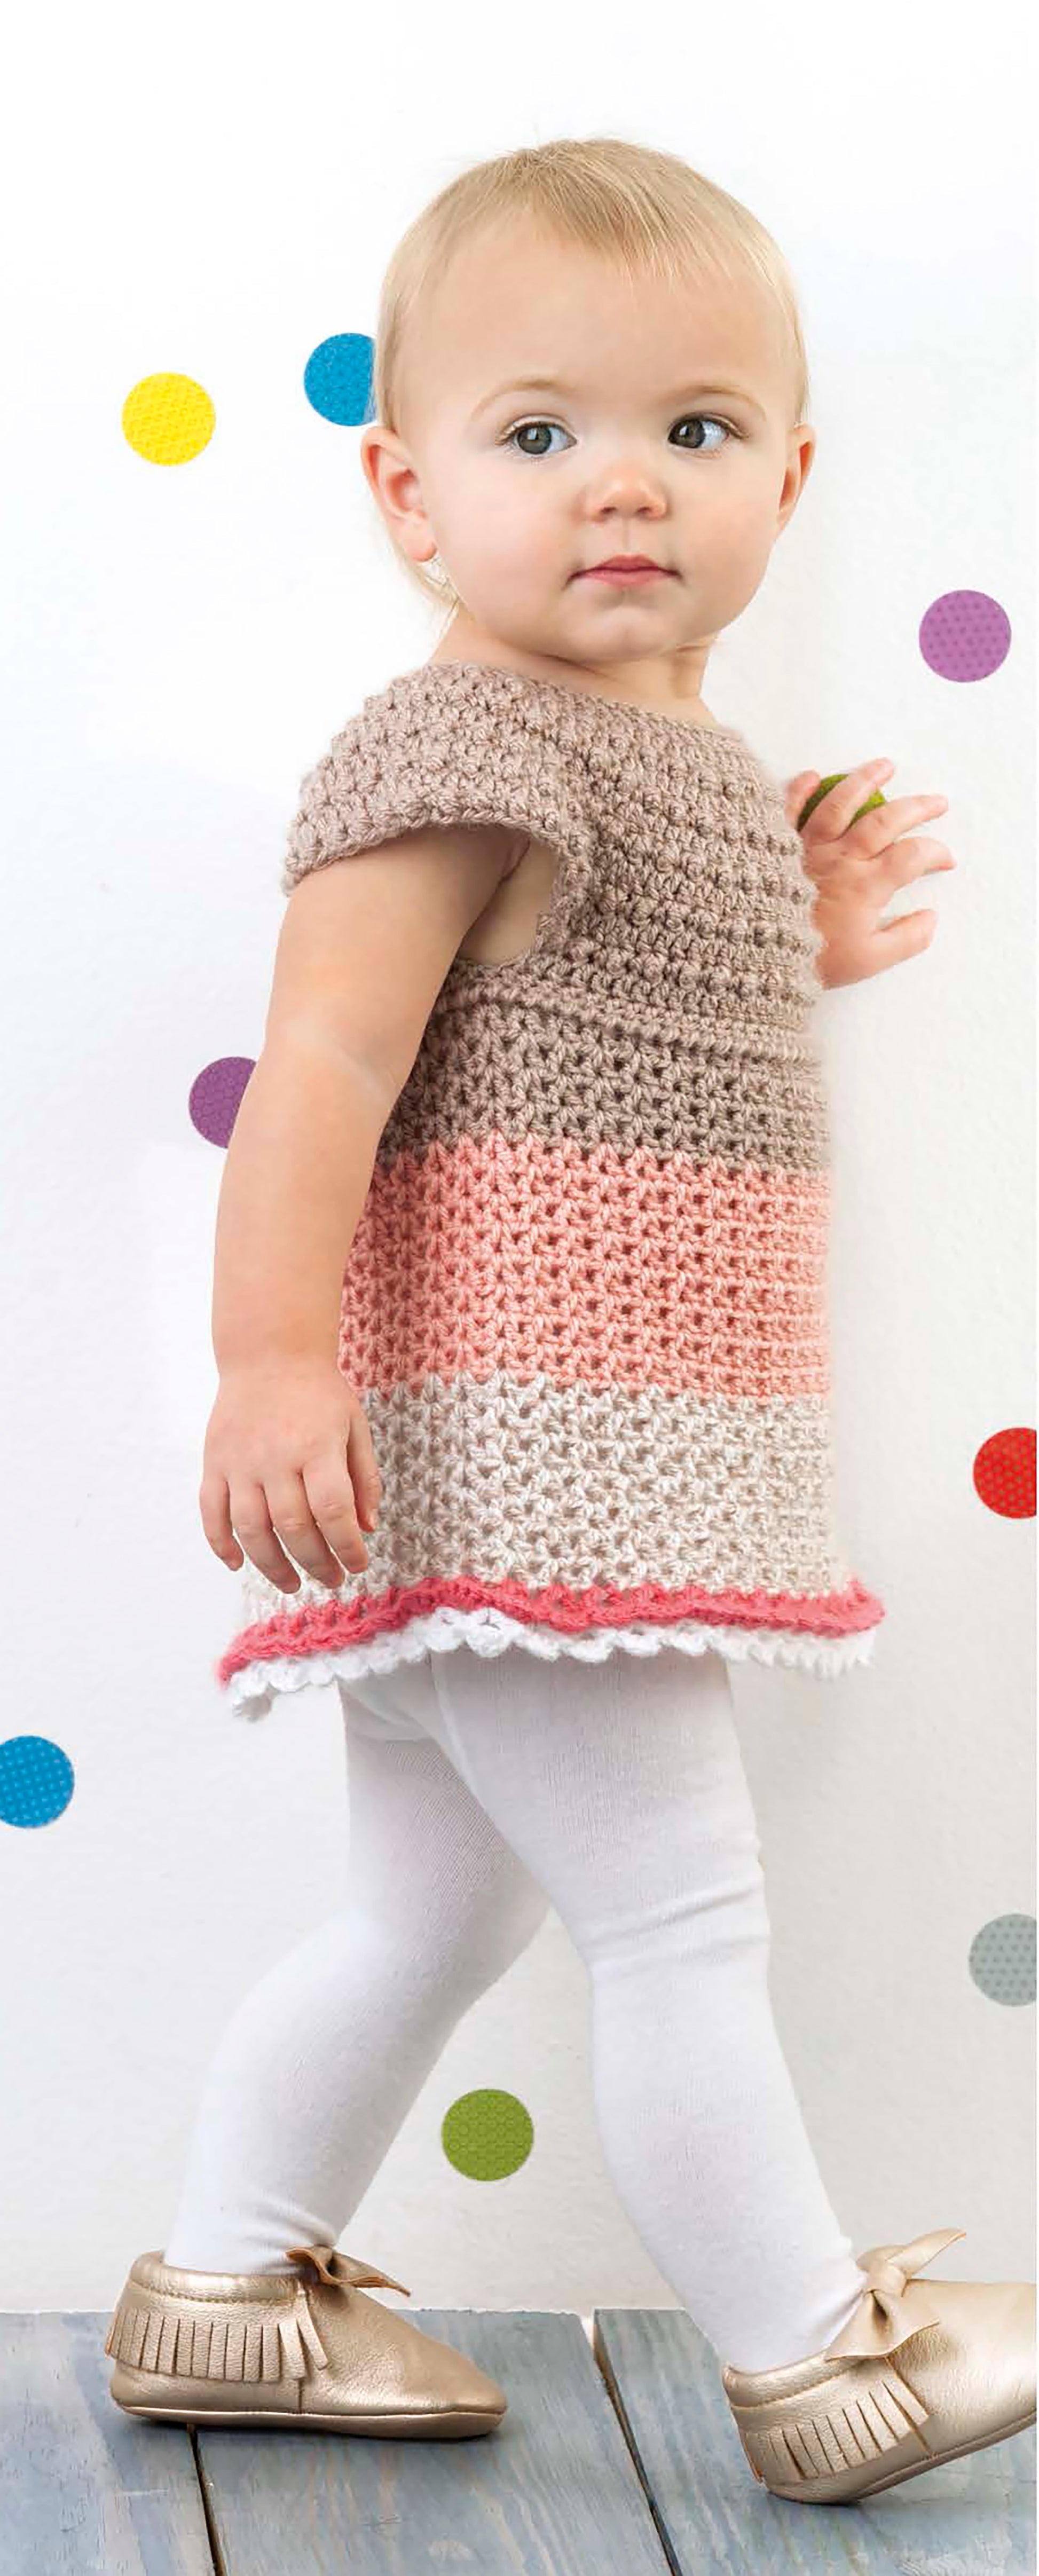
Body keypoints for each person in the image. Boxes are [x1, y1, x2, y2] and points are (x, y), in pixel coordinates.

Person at [105, 140, 1034, 2501]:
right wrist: (271, 1360)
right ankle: (815, 2353)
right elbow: (325, 1062)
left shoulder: (656, 760)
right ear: (407, 494)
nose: (622, 484)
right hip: (526, 1465)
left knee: (429, 1910)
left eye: (693, 431)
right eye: (540, 436)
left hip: (564, 1455)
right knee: (682, 1911)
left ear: (789, 478)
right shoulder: (458, 750)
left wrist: (774, 921)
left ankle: (225, 2274)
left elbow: (591, 1012)